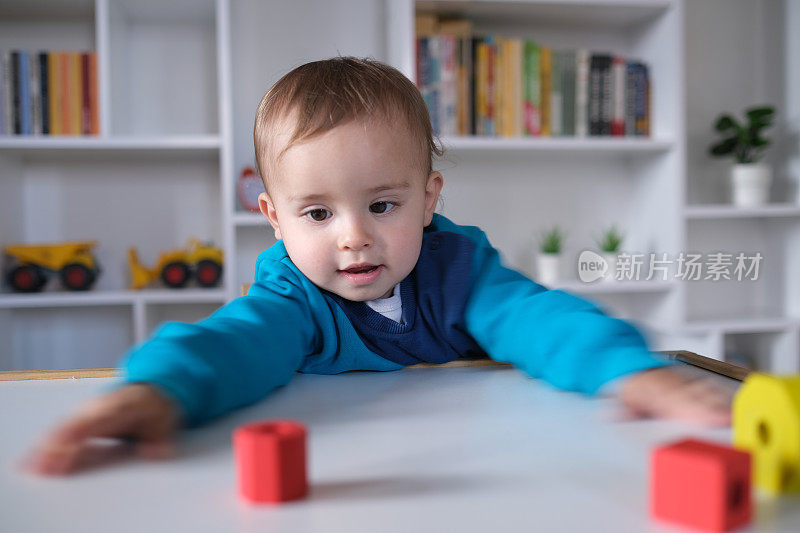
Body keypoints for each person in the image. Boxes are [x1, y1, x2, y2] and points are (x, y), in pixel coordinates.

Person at [26, 57, 733, 476]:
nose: (354, 238)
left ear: (429, 200)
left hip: (480, 468)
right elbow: (235, 341)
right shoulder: (292, 294)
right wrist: (162, 390)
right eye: (318, 214)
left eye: (383, 205)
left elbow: (535, 315)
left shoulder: (458, 267)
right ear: (273, 218)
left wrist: (627, 370)